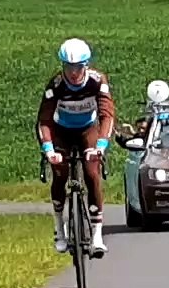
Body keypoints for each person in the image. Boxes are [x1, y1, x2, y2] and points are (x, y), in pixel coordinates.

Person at [36, 37, 115, 257]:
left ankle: (97, 235)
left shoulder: (97, 81)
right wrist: (49, 150)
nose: (73, 72)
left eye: (78, 67)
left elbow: (106, 115)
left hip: (87, 130)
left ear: (86, 65)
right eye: (68, 67)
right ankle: (60, 230)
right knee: (60, 176)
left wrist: (100, 146)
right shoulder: (55, 85)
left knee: (91, 173)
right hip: (61, 131)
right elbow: (44, 120)